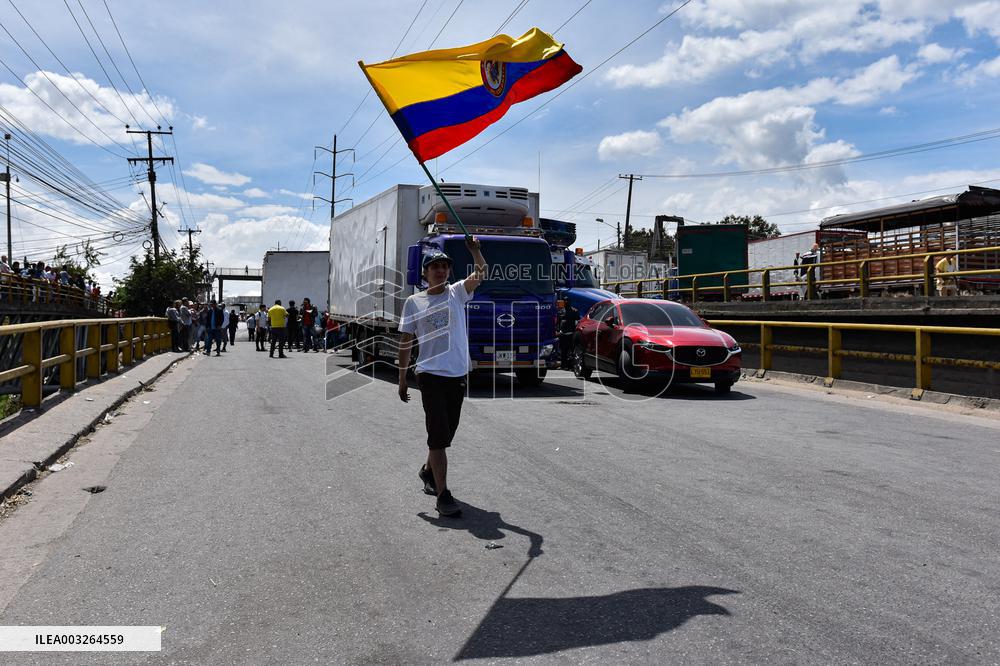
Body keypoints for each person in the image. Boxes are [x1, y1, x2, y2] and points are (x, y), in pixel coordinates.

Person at [397, 237, 485, 517]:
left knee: (446, 434)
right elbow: (405, 341)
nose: (441, 271)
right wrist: (401, 378)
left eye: (445, 266)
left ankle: (427, 471)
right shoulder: (413, 302)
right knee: (437, 436)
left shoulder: (457, 292)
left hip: (458, 373)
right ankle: (443, 494)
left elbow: (481, 273)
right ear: (424, 273)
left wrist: (475, 251)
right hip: (430, 375)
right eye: (435, 266)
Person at [559, 301, 579, 369]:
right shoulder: (561, 311)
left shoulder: (574, 311)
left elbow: (577, 322)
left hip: (570, 334)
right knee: (563, 351)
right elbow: (558, 321)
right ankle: (563, 365)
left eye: (567, 301)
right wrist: (558, 330)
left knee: (571, 351)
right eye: (565, 301)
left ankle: (571, 366)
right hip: (562, 334)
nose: (566, 303)